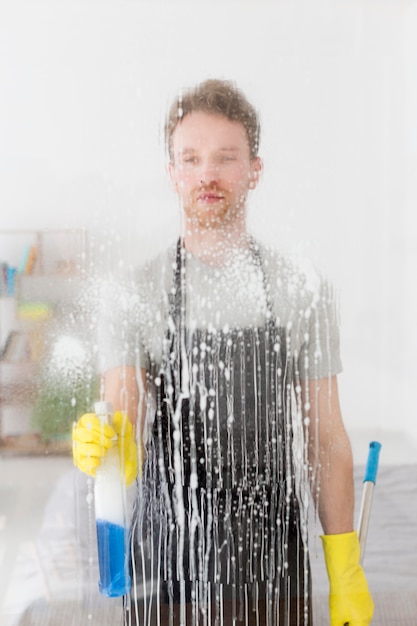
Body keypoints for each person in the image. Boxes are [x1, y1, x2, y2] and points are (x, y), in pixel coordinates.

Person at [72, 79, 374, 625]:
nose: (207, 174)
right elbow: (126, 405)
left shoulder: (302, 288)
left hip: (273, 564)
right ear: (172, 173)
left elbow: (325, 437)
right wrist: (111, 440)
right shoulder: (134, 291)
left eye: (225, 158)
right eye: (191, 158)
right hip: (165, 564)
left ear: (255, 169)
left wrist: (344, 566)